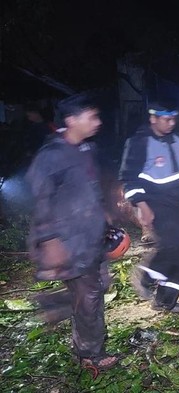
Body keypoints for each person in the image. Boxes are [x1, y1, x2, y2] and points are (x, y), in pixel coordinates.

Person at [26, 92, 119, 371]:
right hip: (69, 240)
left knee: (99, 286)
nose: (98, 122)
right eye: (91, 117)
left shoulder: (86, 149)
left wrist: (103, 212)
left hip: (90, 235)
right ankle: (90, 355)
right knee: (90, 295)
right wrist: (50, 240)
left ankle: (53, 305)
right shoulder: (51, 155)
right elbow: (41, 200)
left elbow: (90, 185)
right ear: (71, 120)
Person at [119, 102, 179, 313]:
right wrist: (142, 206)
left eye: (174, 119)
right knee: (170, 245)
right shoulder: (139, 143)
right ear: (153, 118)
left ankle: (165, 301)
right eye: (166, 119)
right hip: (156, 203)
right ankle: (145, 275)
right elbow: (128, 179)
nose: (171, 124)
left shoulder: (178, 142)